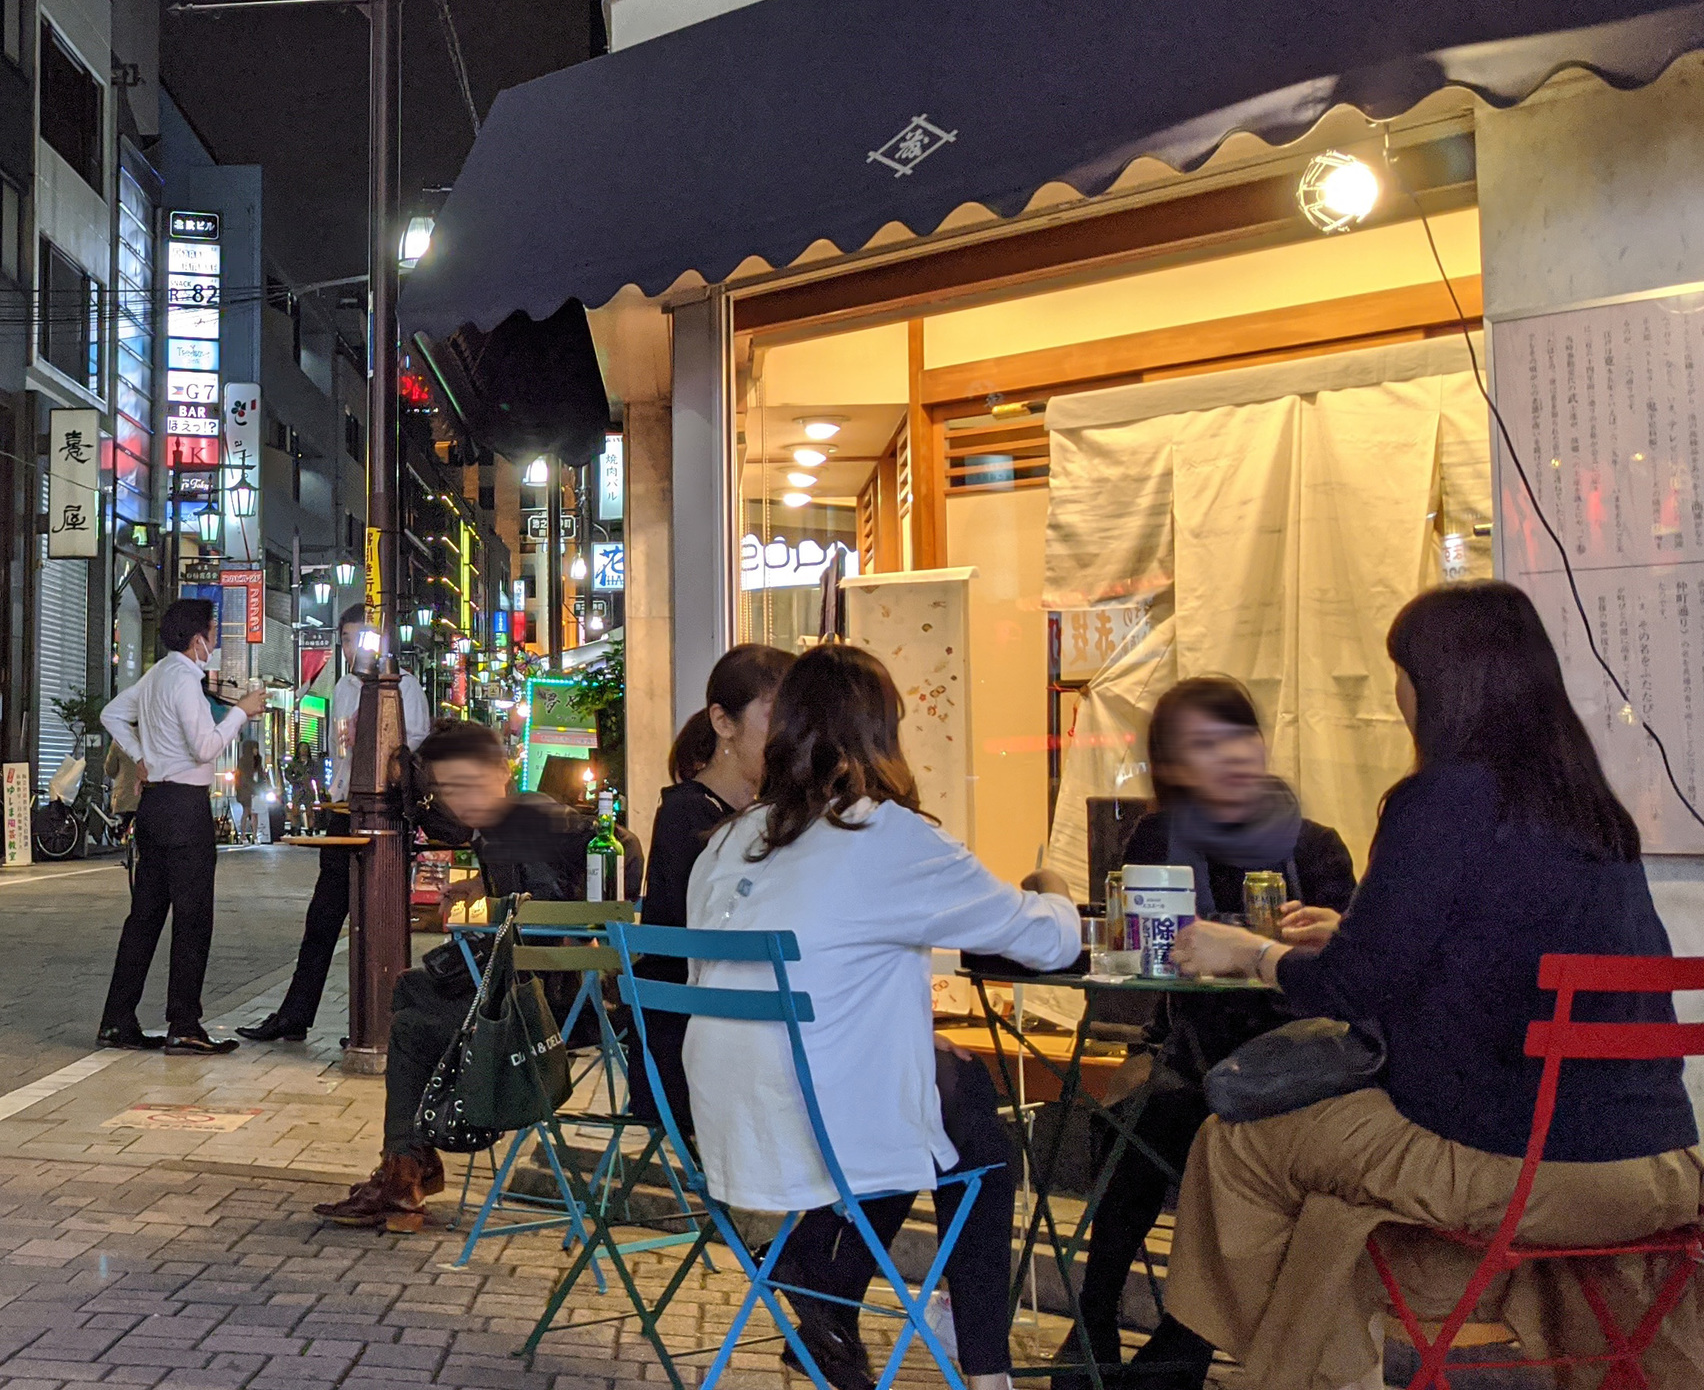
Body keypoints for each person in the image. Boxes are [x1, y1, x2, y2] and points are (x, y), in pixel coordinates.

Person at [1162, 582, 1703, 1390]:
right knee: (1338, 1204)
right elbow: (1485, 956)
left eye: (1400, 672)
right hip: (1660, 1167)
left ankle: (1280, 1368)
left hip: (1522, 1167)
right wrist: (1352, 936)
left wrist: (1250, 953)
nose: (1396, 693)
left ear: (1434, 683)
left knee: (1237, 1144)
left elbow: (1351, 988)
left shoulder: (1442, 799)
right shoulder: (1592, 811)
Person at [681, 644, 1076, 1390]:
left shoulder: (726, 843)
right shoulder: (886, 836)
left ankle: (824, 1283)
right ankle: (986, 1371)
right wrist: (1055, 883)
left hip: (731, 1127)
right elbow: (1043, 937)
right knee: (976, 1134)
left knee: (935, 1092)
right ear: (882, 733)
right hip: (824, 1129)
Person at [1064, 676, 1355, 1371]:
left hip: (1298, 1069)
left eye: (1240, 736)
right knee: (1145, 1116)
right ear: (1173, 765)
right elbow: (1136, 958)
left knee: (1203, 1124)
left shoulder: (1315, 847)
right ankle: (1093, 1320)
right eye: (1203, 744)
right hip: (1192, 1055)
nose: (1229, 756)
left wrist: (1328, 933)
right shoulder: (1159, 836)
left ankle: (1183, 1344)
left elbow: (1357, 972)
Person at [315, 719, 592, 1231]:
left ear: (503, 770)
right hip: (539, 988)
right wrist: (486, 894)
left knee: (413, 1026)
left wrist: (522, 912)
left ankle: (407, 1170)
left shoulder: (526, 823)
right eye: (448, 789)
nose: (460, 799)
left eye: (469, 783)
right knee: (412, 993)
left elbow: (551, 911)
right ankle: (407, 1166)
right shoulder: (511, 821)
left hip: (548, 1005)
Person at [241, 604, 431, 1044]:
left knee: (379, 918)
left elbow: (413, 749)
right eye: (345, 639)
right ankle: (295, 1013)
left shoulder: (405, 686)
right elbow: (339, 754)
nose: (351, 647)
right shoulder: (344, 687)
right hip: (344, 811)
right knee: (322, 916)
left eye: (359, 637)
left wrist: (379, 733)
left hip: (385, 818)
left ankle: (383, 1018)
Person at [625, 642, 793, 1126]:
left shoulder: (748, 819)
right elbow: (700, 938)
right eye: (775, 718)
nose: (789, 738)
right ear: (724, 723)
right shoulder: (692, 816)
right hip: (690, 1048)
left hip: (724, 1030)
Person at [97, 597, 267, 1055]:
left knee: (145, 917)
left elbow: (111, 713)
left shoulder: (155, 676)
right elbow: (207, 747)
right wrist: (242, 712)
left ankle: (117, 1018)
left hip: (154, 806)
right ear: (198, 640)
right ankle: (184, 1022)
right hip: (185, 807)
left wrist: (141, 758)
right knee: (193, 919)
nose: (215, 640)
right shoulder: (186, 682)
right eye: (213, 632)